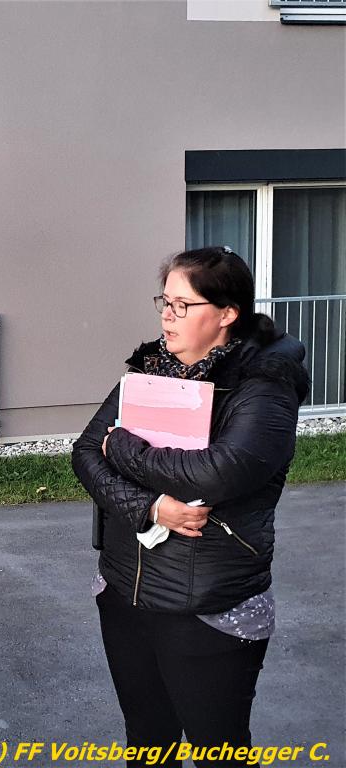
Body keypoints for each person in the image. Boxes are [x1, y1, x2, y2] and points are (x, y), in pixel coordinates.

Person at [72, 246, 309, 768]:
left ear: (227, 314)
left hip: (208, 608)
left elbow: (218, 472)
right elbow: (86, 451)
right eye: (165, 302)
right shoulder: (152, 367)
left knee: (218, 752)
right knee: (147, 744)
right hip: (125, 591)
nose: (167, 316)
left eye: (183, 305)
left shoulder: (264, 386)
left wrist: (123, 447)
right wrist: (150, 507)